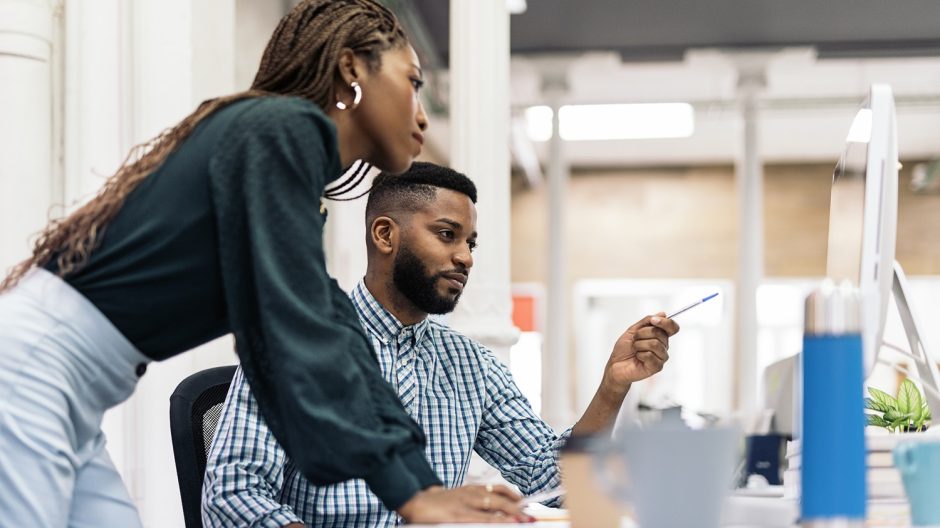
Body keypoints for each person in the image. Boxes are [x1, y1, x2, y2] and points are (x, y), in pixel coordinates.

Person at [0, 1, 525, 526]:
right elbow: (302, 330)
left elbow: (321, 324)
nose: (422, 113)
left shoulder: (288, 162)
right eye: (412, 82)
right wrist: (411, 492)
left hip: (70, 389)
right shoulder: (283, 129)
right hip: (31, 372)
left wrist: (415, 483)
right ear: (351, 68)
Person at [201, 163, 679, 527]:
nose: (465, 257)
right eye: (447, 235)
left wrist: (613, 386)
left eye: (471, 242)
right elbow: (232, 494)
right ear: (385, 234)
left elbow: (551, 481)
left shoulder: (470, 365)